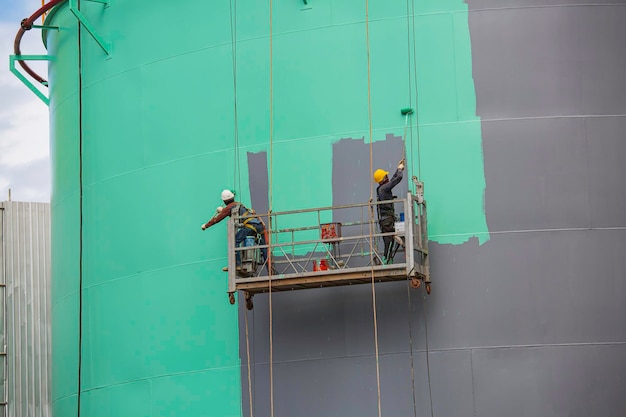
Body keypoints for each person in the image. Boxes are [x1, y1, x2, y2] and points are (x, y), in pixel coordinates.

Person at [201, 190, 267, 271]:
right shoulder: (238, 204)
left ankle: (237, 264)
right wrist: (223, 210)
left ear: (224, 201)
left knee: (234, 241)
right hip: (258, 225)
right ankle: (271, 268)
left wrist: (206, 226)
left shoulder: (229, 207)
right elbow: (233, 212)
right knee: (264, 247)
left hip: (250, 226)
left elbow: (217, 219)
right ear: (232, 197)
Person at [373, 159, 405, 264]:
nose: (387, 177)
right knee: (389, 240)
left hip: (385, 220)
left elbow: (392, 180)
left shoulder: (381, 189)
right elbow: (397, 179)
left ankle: (387, 259)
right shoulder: (384, 189)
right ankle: (387, 260)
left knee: (388, 241)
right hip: (387, 220)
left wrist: (398, 168)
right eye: (385, 176)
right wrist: (400, 170)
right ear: (383, 179)